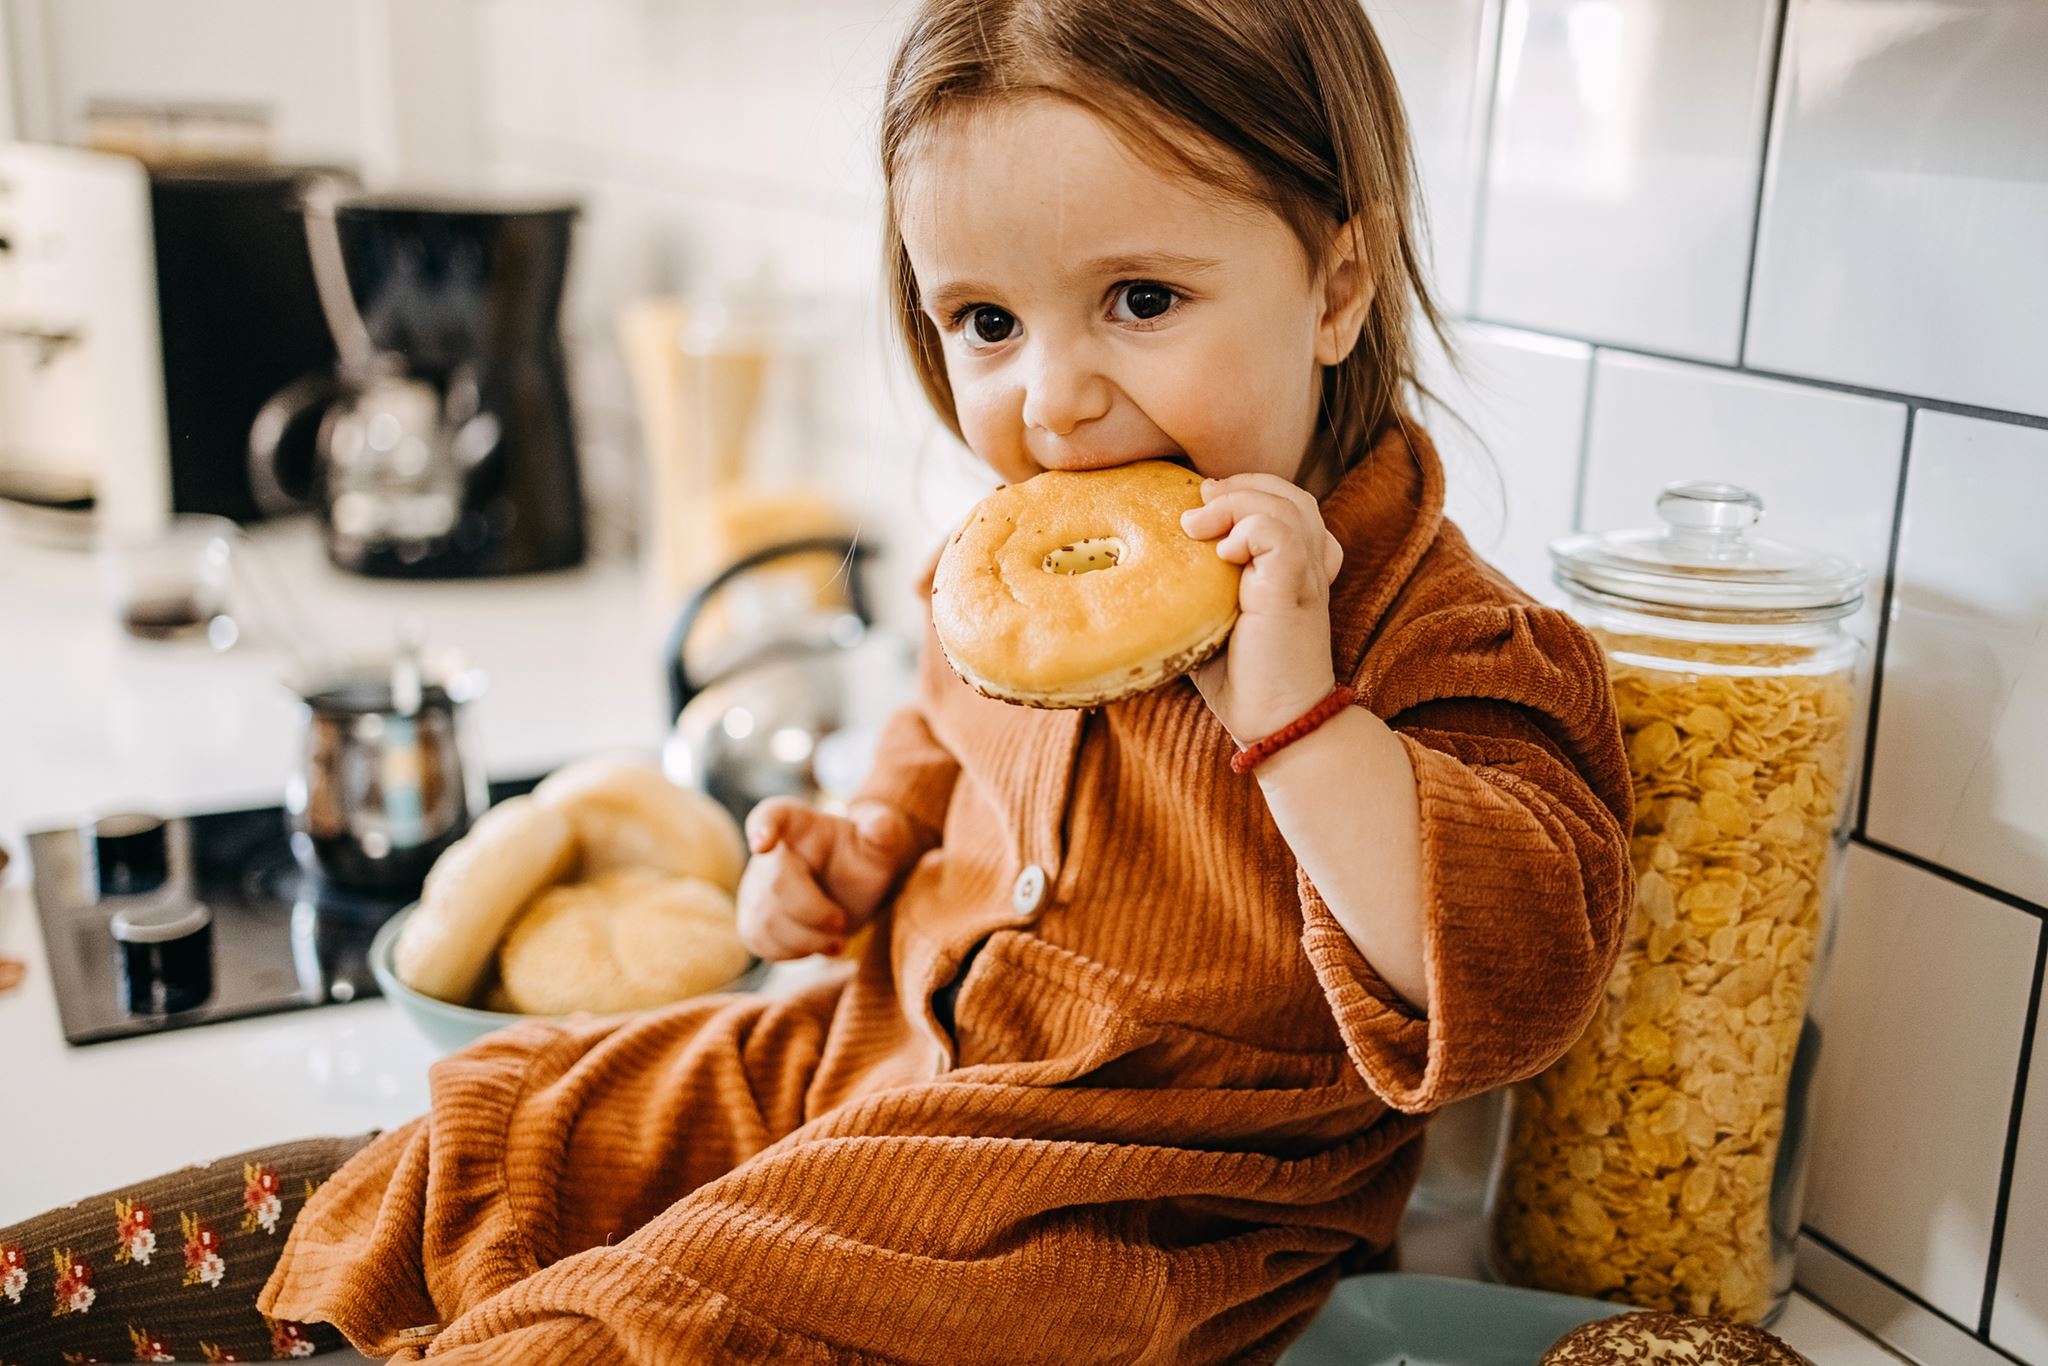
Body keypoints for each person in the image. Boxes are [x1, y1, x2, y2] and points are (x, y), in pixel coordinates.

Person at [0, 1, 1633, 1360]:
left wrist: (1297, 715)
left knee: (668, 1315)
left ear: (1337, 284)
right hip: (866, 1055)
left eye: (1141, 301)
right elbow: (944, 745)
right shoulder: (1014, 570)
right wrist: (859, 847)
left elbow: (1510, 970)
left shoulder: (1446, 633)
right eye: (985, 322)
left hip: (1120, 1205)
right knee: (507, 1134)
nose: (1053, 401)